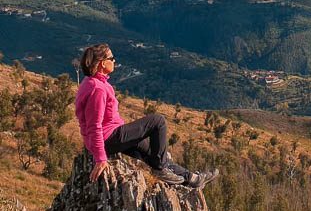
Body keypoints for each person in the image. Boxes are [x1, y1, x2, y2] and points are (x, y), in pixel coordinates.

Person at [75, 43, 218, 188]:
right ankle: (160, 169)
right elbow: (94, 126)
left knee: (155, 154)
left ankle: (192, 179)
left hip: (111, 136)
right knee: (158, 121)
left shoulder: (93, 83)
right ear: (101, 63)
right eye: (111, 58)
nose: (114, 61)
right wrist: (100, 158)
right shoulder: (97, 89)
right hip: (109, 139)